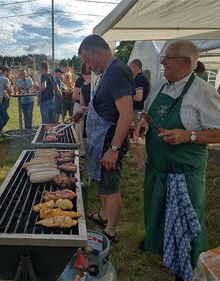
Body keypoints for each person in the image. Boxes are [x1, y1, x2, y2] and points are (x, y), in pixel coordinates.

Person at [135, 40, 220, 281]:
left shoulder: (204, 93)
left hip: (184, 174)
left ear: (185, 62)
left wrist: (189, 135)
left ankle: (190, 269)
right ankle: (165, 250)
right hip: (157, 169)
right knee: (158, 214)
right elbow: (146, 112)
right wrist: (144, 123)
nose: (162, 61)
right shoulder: (158, 86)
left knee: (188, 222)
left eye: (168, 57)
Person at [73, 35, 134, 243]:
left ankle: (110, 231)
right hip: (101, 142)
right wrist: (86, 109)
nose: (88, 66)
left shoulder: (117, 71)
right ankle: (103, 215)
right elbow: (107, 105)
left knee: (111, 188)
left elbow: (126, 115)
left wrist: (114, 150)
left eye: (89, 60)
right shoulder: (107, 72)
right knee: (102, 184)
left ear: (99, 53)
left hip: (110, 142)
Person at [129, 59, 151, 170]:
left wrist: (125, 95)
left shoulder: (140, 79)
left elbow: (138, 97)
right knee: (134, 135)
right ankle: (136, 157)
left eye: (130, 66)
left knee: (136, 136)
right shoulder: (139, 78)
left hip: (138, 111)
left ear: (135, 66)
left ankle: (141, 162)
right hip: (138, 110)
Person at [78, 62, 91, 156]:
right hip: (97, 116)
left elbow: (82, 102)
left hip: (87, 115)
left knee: (86, 135)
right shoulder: (98, 82)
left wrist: (83, 110)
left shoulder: (83, 85)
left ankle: (87, 155)